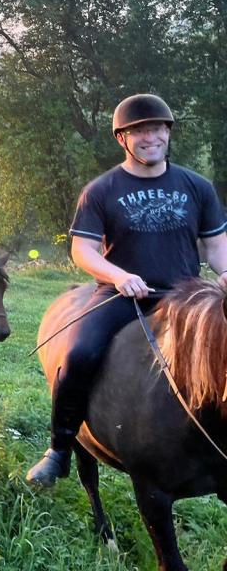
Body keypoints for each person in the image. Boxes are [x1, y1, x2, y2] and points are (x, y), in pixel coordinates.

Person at [26, 93, 227, 487]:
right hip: (122, 295)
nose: (149, 137)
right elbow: (82, 249)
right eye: (138, 131)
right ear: (123, 139)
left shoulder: (197, 187)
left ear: (168, 133)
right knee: (78, 352)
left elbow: (217, 245)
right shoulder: (102, 189)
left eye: (156, 128)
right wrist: (118, 275)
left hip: (185, 296)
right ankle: (59, 450)